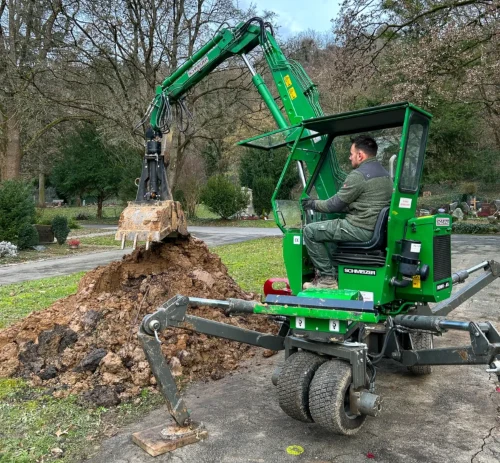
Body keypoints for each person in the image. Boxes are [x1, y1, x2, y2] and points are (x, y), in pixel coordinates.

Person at [301, 135, 393, 289]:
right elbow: (364, 202)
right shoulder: (385, 175)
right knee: (328, 231)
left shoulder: (359, 175)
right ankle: (336, 273)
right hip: (375, 228)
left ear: (360, 155)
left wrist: (312, 204)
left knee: (310, 231)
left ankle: (327, 279)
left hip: (360, 228)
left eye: (351, 154)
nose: (350, 157)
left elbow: (333, 206)